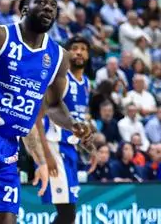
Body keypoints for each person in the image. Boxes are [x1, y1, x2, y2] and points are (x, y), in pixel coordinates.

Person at [0, 0, 94, 224]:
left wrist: (73, 124)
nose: (48, 7)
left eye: (53, 5)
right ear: (25, 8)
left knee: (5, 219)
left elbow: (53, 105)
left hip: (8, 146)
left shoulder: (59, 57)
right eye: (41, 2)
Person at [35, 36, 92, 224]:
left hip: (70, 149)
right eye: (74, 48)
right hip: (54, 147)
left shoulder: (86, 83)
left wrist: (89, 145)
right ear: (67, 53)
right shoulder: (60, 80)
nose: (79, 52)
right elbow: (38, 117)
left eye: (83, 49)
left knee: (68, 214)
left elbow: (79, 120)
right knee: (67, 214)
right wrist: (45, 156)